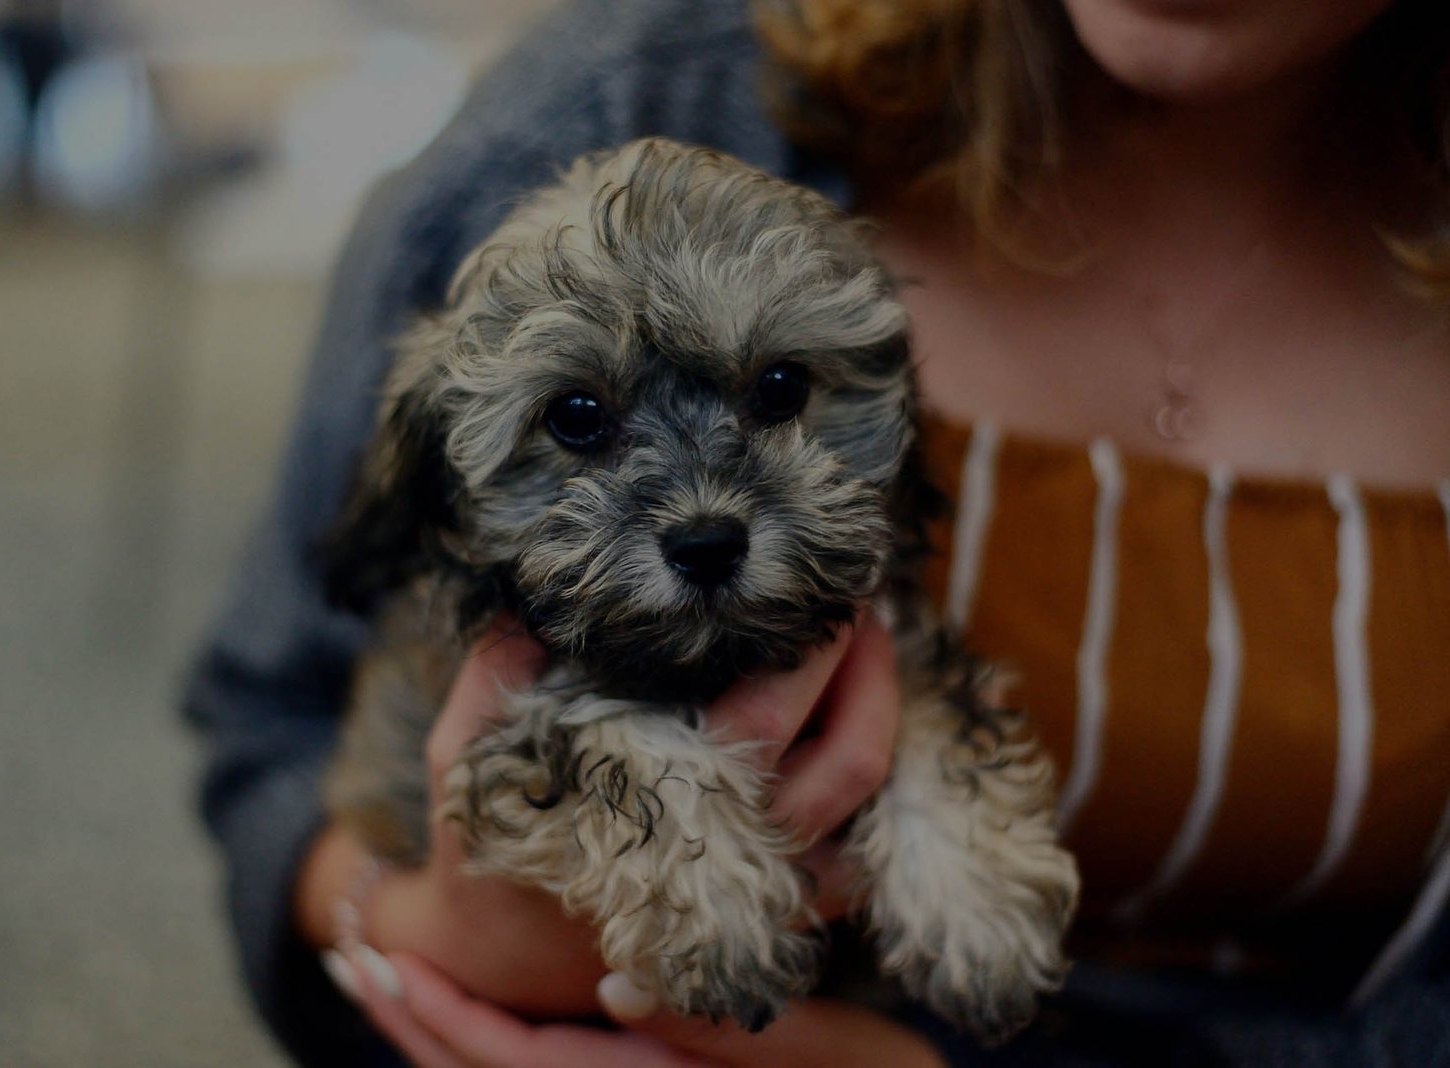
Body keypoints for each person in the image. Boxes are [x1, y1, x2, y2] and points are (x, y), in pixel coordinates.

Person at [183, 0, 1449, 1064]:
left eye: (776, 394)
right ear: (433, 467)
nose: (698, 508)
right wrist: (407, 931)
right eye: (580, 421)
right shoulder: (599, 96)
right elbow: (269, 727)